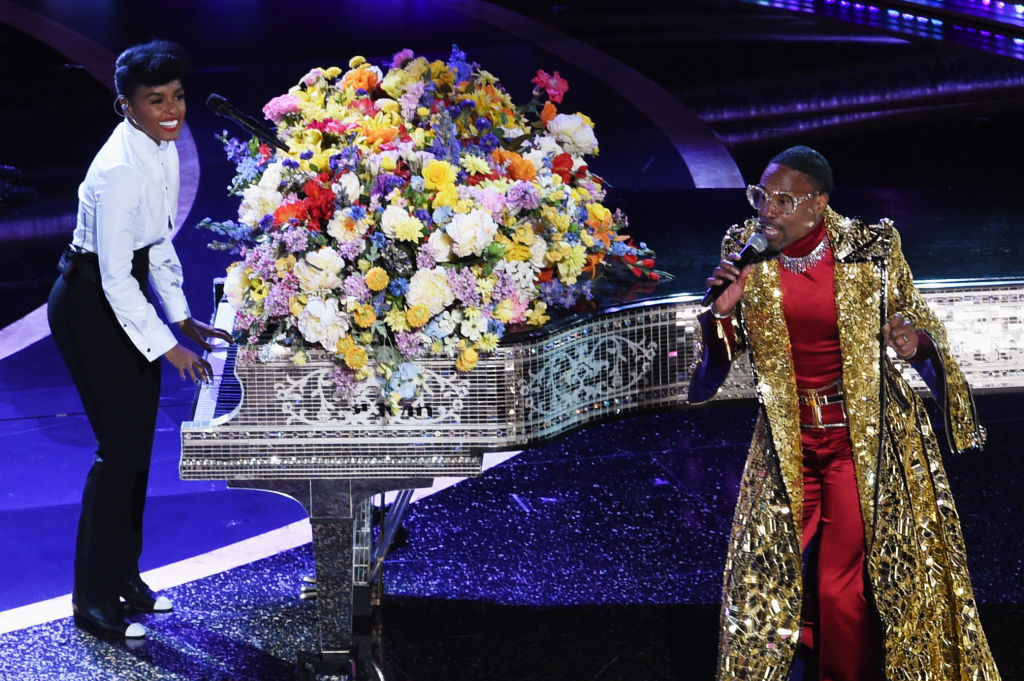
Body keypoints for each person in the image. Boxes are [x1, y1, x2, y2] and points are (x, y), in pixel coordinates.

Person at [687, 146, 1000, 680]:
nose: (767, 210)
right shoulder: (746, 253)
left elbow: (925, 330)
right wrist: (720, 316)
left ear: (818, 203)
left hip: (861, 441)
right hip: (787, 442)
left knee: (839, 584)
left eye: (783, 200)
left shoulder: (870, 250)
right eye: (761, 196)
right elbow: (712, 375)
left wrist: (915, 344)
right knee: (761, 575)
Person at [47, 40, 232, 641]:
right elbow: (112, 282)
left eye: (177, 96)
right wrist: (169, 348)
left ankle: (125, 578)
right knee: (117, 453)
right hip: (89, 304)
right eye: (157, 101)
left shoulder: (164, 145)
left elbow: (158, 243)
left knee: (134, 451)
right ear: (126, 104)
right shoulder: (122, 166)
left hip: (119, 295)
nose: (173, 110)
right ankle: (93, 600)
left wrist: (181, 319)